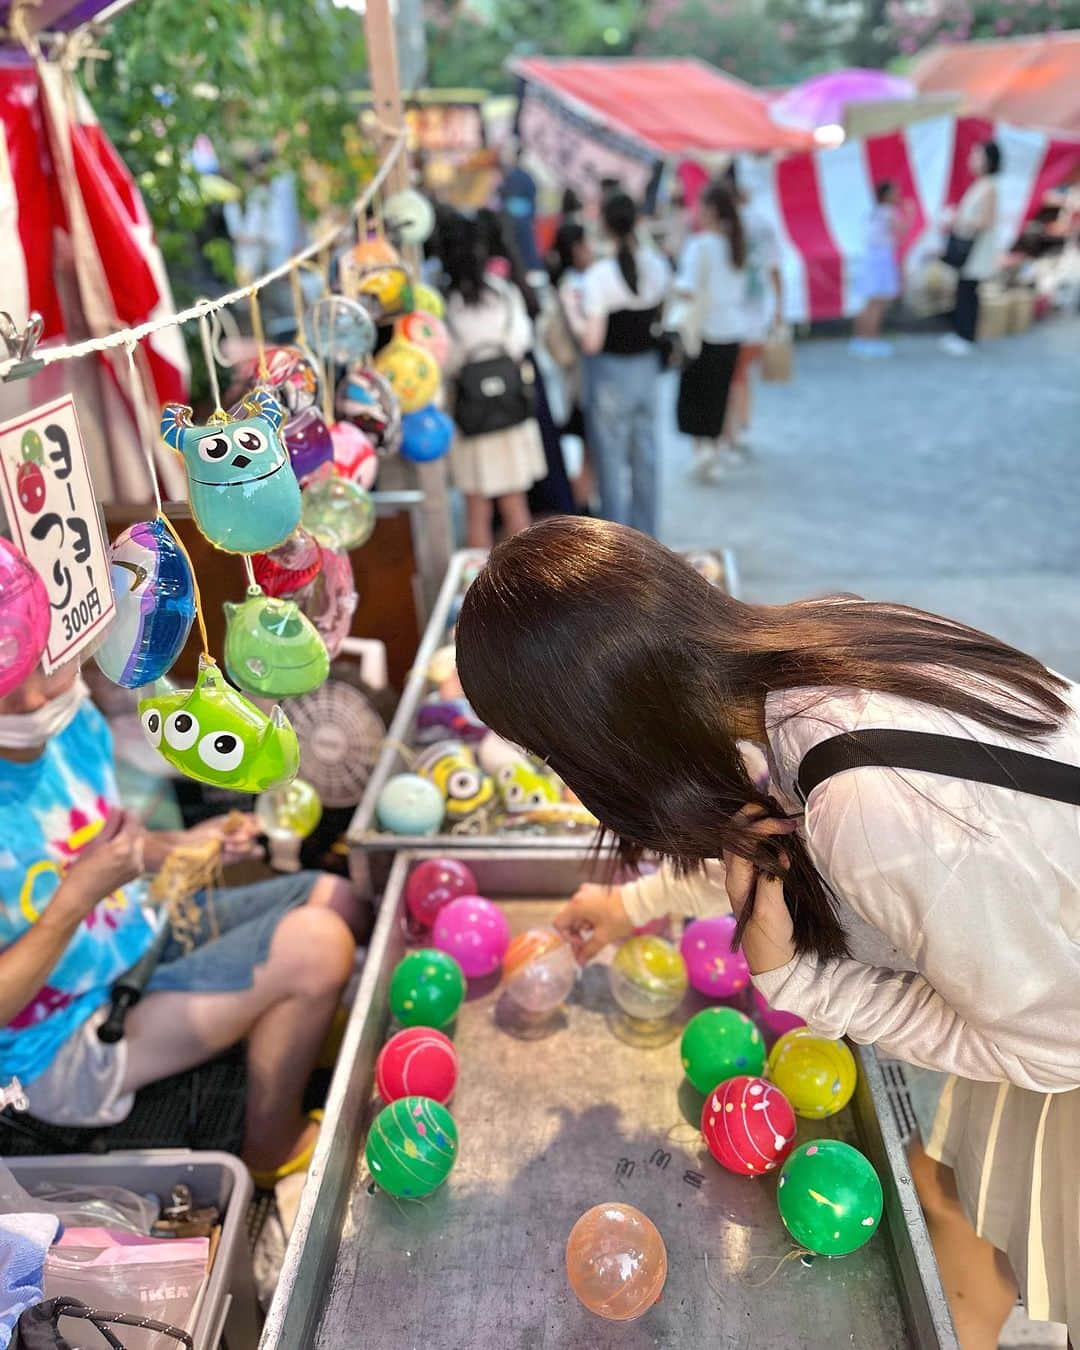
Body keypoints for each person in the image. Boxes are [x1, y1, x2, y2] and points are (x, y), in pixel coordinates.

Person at [456, 516, 1080, 1350]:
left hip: (1058, 1037)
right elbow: (781, 843)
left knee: (1012, 1226)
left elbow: (1053, 1051)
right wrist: (634, 904)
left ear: (602, 734)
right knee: (952, 1193)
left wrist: (804, 984)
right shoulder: (816, 657)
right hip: (1044, 972)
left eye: (551, 755)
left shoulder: (875, 807)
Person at [0, 661, 369, 1187]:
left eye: (47, 668)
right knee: (319, 945)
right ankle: (270, 1146)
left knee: (341, 900)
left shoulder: (71, 718)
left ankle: (292, 1034)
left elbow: (108, 848)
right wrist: (76, 898)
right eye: (9, 683)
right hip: (54, 1046)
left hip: (139, 935)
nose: (36, 698)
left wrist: (185, 845)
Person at [440, 211, 547, 548]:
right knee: (516, 505)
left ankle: (481, 590)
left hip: (472, 416)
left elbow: (446, 361)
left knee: (477, 510)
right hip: (510, 409)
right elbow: (522, 342)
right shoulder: (503, 294)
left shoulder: (448, 305)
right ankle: (529, 587)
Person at [580, 192, 669, 536]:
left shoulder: (598, 276)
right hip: (646, 371)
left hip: (610, 375)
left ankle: (617, 542)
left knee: (611, 462)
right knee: (646, 456)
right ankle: (650, 536)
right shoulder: (656, 265)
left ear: (603, 224)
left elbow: (592, 341)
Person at [673, 180, 748, 481]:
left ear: (712, 210)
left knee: (696, 393)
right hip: (733, 328)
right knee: (719, 393)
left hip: (704, 330)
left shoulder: (700, 245)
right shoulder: (736, 244)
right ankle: (715, 451)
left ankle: (702, 452)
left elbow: (688, 289)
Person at [725, 163, 783, 449]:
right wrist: (779, 308)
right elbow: (775, 269)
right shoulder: (762, 224)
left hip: (729, 313)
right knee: (741, 373)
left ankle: (733, 429)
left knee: (732, 373)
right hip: (756, 309)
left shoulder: (724, 229)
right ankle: (742, 423)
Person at [539, 221, 594, 511]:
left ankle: (582, 504)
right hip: (579, 383)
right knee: (587, 449)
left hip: (566, 383)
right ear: (575, 248)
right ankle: (583, 508)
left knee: (581, 449)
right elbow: (584, 336)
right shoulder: (575, 284)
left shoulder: (558, 282)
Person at [942, 139, 1001, 356]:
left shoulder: (989, 187)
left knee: (969, 291)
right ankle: (961, 332)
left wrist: (957, 219)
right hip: (969, 246)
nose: (972, 159)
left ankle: (966, 335)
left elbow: (986, 221)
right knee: (964, 289)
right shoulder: (980, 185)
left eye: (977, 155)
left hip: (976, 247)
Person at [851, 180, 912, 358]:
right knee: (877, 303)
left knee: (869, 302)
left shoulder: (874, 212)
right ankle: (871, 339)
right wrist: (909, 213)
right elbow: (903, 230)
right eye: (895, 193)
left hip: (871, 259)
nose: (898, 196)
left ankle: (860, 338)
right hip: (881, 261)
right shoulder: (888, 212)